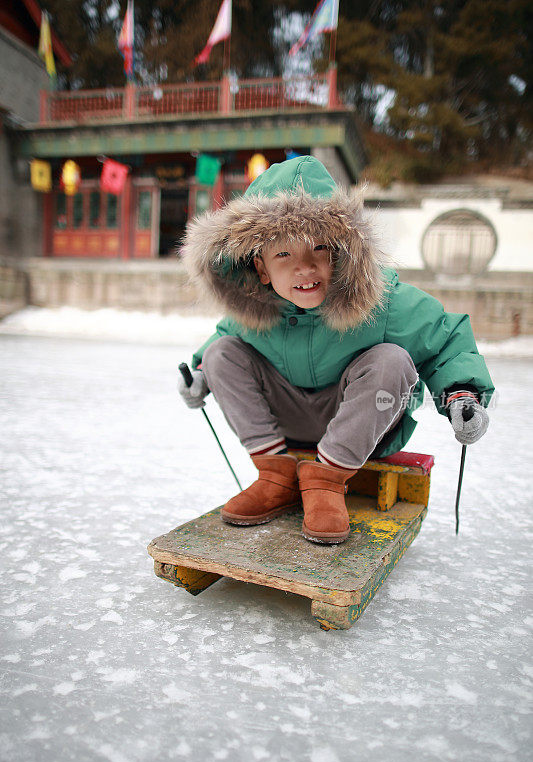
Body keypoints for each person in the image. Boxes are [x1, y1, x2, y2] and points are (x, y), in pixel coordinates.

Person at [177, 156, 494, 544]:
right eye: (284, 255)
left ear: (341, 252)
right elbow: (218, 350)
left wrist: (462, 395)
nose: (304, 268)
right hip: (286, 420)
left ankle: (326, 481)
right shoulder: (254, 310)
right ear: (261, 268)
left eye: (319, 250)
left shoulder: (383, 301)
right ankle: (276, 475)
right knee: (221, 352)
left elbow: (444, 338)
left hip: (358, 425)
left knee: (391, 360)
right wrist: (200, 378)